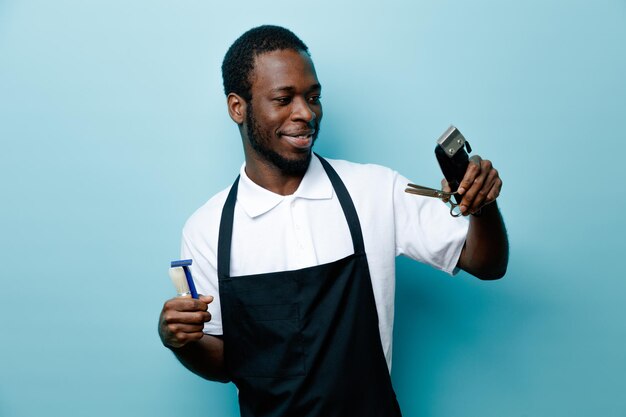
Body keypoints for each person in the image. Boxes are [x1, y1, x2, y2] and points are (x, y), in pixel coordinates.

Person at [158, 25, 508, 417]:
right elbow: (223, 364)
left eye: (313, 97)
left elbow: (487, 263)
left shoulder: (375, 190)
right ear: (237, 107)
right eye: (283, 99)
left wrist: (482, 205)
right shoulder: (207, 230)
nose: (306, 113)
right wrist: (182, 340)